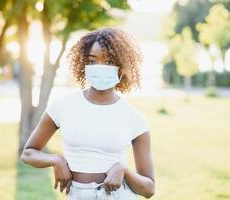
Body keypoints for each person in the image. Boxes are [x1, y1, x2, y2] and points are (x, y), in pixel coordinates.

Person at [21, 27, 155, 200]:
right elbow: (29, 153)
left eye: (108, 62)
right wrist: (55, 160)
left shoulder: (134, 118)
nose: (100, 67)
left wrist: (124, 170)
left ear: (122, 67)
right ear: (83, 64)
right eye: (92, 61)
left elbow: (149, 189)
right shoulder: (63, 106)